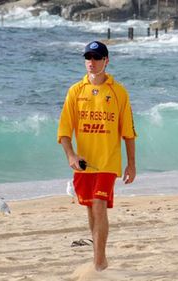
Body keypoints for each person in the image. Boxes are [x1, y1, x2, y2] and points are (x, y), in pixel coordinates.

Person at [57, 41, 137, 271]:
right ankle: (98, 255)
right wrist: (71, 155)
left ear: (106, 61)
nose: (91, 62)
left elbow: (128, 132)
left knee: (100, 205)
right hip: (83, 163)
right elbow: (64, 131)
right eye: (88, 58)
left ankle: (99, 261)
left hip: (108, 161)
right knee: (91, 208)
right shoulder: (75, 91)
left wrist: (131, 165)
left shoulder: (118, 92)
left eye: (96, 58)